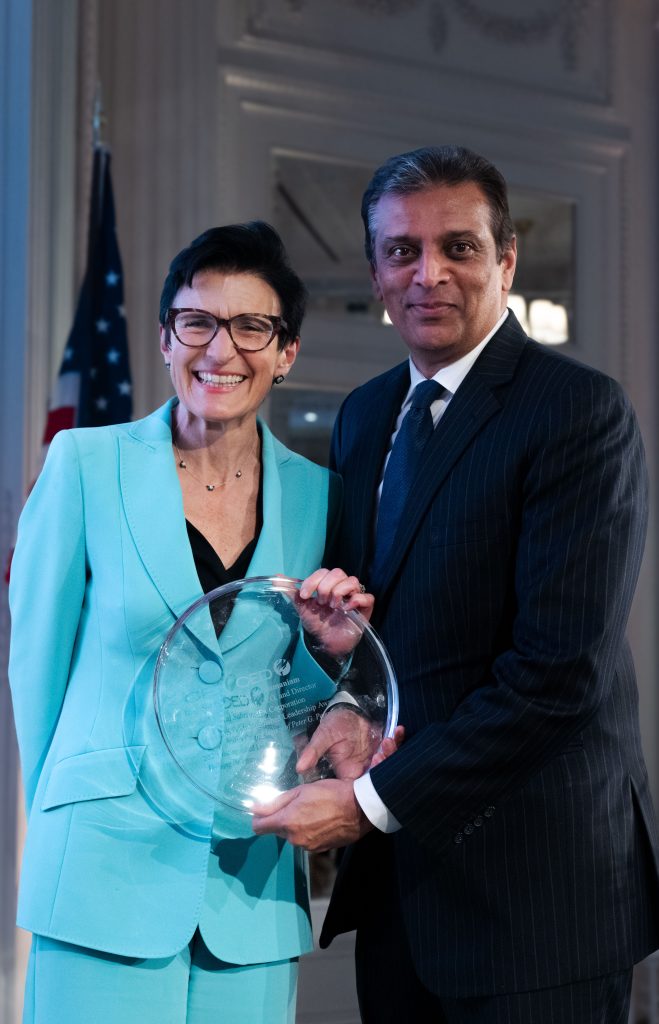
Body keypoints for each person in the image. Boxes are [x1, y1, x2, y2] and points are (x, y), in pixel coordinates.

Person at [252, 147, 659, 1023]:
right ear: (374, 269)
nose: (427, 273)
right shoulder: (364, 416)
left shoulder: (578, 413)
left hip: (539, 899)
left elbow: (556, 677)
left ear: (504, 261)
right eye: (401, 250)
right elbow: (381, 634)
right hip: (405, 895)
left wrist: (364, 805)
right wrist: (345, 678)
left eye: (459, 247)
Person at [8, 221, 375, 1024]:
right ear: (168, 339)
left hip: (250, 879)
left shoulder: (323, 497)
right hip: (103, 870)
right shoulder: (84, 464)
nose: (222, 349)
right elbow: (34, 670)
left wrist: (329, 651)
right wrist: (67, 827)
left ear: (286, 352)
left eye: (252, 326)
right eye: (198, 322)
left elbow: (302, 694)